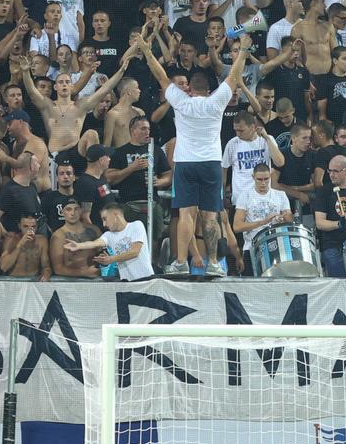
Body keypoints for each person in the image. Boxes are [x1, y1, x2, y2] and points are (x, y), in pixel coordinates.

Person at [142, 29, 249, 275]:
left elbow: (161, 77)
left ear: (189, 89)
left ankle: (180, 262)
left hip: (186, 163)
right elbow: (233, 77)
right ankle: (213, 263)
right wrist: (242, 49)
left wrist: (146, 50)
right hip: (211, 163)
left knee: (186, 214)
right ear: (209, 90)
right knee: (210, 217)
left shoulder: (181, 101)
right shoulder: (217, 101)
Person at [64, 199, 154, 281]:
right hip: (127, 284)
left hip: (146, 281)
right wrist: (79, 245)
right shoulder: (109, 235)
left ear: (115, 214)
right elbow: (95, 243)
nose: (104, 224)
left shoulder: (136, 225)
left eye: (105, 219)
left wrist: (111, 259)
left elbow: (134, 252)